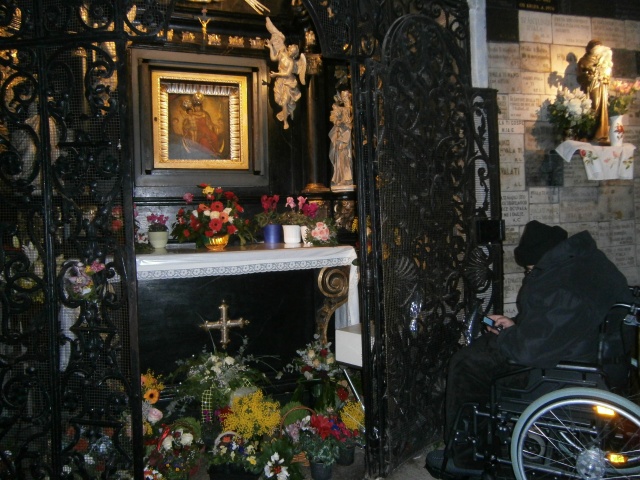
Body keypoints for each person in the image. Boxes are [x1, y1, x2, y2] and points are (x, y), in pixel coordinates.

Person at [426, 220, 632, 478]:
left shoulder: (562, 285)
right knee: (480, 358)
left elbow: (529, 350)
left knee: (467, 364)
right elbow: (556, 322)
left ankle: (465, 458)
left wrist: (507, 335)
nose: (528, 274)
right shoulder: (588, 263)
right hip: (594, 358)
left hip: (566, 370)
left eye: (529, 269)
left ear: (539, 261)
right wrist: (516, 325)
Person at [265, 17, 306, 129]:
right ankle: (288, 111)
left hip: (289, 82)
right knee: (278, 100)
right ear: (289, 49)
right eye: (291, 49)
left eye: (293, 52)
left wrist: (276, 74)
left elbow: (287, 74)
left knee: (284, 101)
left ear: (294, 54)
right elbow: (273, 58)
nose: (291, 52)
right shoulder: (281, 54)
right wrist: (270, 47)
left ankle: (285, 122)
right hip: (280, 82)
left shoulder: (292, 62)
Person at [577, 40, 613, 143]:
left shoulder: (603, 59)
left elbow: (607, 73)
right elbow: (579, 77)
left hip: (601, 87)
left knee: (602, 109)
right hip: (591, 88)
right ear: (591, 48)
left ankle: (600, 134)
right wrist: (588, 76)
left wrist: (604, 75)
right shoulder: (583, 61)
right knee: (593, 107)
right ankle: (589, 133)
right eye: (596, 47)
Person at [328, 90, 354, 191]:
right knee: (341, 157)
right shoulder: (341, 109)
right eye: (343, 98)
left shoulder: (351, 110)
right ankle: (342, 178)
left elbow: (350, 123)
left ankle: (348, 178)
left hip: (348, 137)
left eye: (346, 97)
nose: (345, 99)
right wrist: (337, 121)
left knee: (347, 156)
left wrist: (344, 123)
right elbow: (334, 118)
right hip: (341, 137)